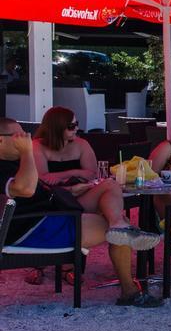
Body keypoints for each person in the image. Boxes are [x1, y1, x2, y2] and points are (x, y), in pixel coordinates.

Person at [1, 118, 159, 306]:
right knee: (118, 229)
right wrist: (27, 151)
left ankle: (119, 224)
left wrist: (69, 191)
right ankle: (130, 291)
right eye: (19, 135)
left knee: (110, 186)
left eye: (25, 134)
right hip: (34, 228)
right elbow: (25, 189)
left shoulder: (14, 162)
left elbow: (34, 192)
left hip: (51, 214)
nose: (26, 138)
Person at [32, 106, 159, 250]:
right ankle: (121, 226)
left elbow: (92, 173)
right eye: (71, 126)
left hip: (80, 196)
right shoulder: (37, 146)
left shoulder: (81, 144)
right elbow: (42, 180)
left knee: (110, 184)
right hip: (54, 201)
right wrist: (74, 180)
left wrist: (63, 175)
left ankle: (118, 225)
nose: (76, 129)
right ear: (57, 127)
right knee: (121, 224)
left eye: (77, 124)